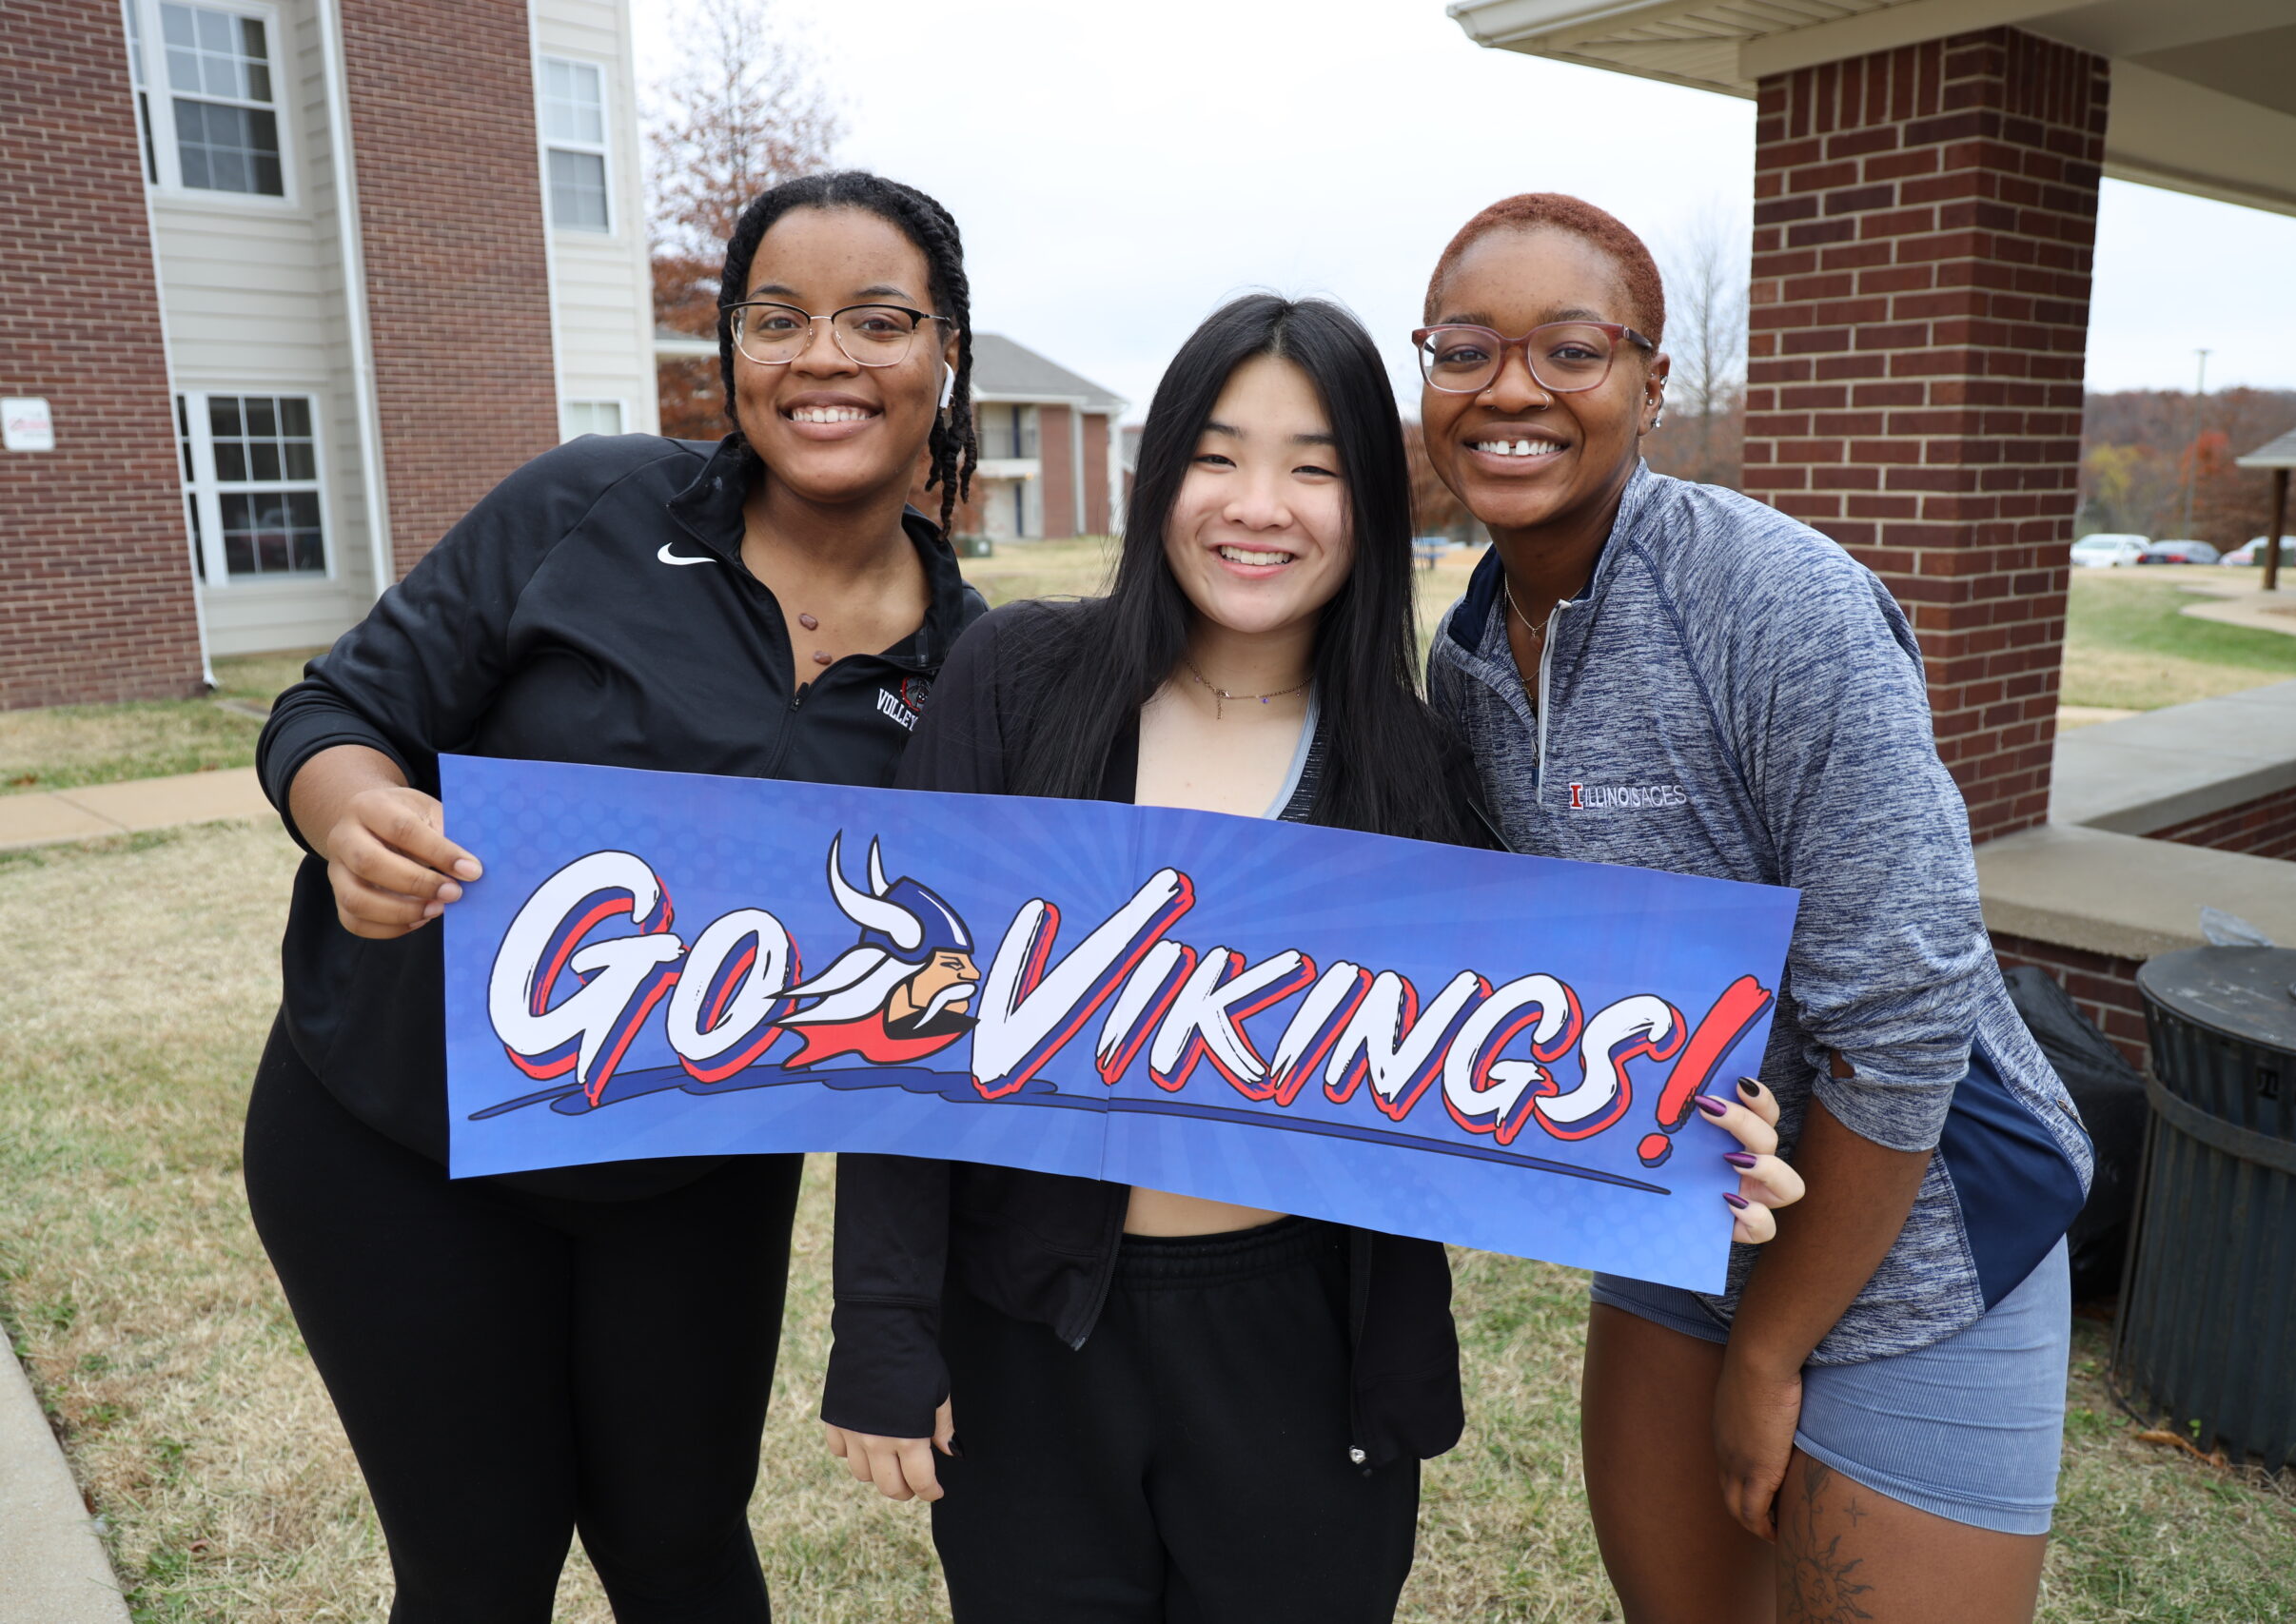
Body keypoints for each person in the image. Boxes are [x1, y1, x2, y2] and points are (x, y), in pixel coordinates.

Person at [816, 293, 1804, 1623]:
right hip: (1032, 1329)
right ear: (1161, 475)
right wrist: (883, 1330)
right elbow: (899, 1030)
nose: (1257, 505)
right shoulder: (1017, 678)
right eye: (1218, 457)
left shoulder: (1419, 757)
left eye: (1314, 467)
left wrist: (1689, 1139)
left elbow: (1535, 1032)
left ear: (1371, 509)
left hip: (1306, 1343)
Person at [244, 171, 989, 1622]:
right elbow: (334, 710)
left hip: (691, 1174)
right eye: (777, 319)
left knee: (682, 1549)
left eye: (877, 320)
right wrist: (353, 811)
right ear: (730, 353)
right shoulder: (587, 505)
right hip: (403, 1135)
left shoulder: (978, 671)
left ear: (946, 350)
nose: (822, 358)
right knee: (477, 1569)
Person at [1416, 193, 2092, 1624]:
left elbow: (1906, 1025)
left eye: (1572, 348)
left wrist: (1773, 1353)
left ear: (1653, 384)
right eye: (1466, 348)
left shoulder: (1777, 605)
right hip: (1684, 1212)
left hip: (1918, 1230)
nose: (1512, 389)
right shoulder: (1467, 658)